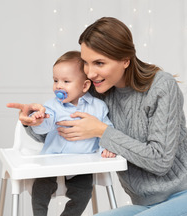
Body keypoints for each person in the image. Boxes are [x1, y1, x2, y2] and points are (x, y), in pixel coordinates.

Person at [8, 17, 187, 216]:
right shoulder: (95, 93)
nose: (90, 73)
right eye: (85, 63)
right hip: (144, 203)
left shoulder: (161, 86)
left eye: (99, 63)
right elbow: (58, 133)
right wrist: (36, 120)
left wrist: (101, 131)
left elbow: (160, 161)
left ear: (125, 60)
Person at [8, 50, 115, 216]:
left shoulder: (98, 107)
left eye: (66, 81)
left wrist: (106, 148)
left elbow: (106, 130)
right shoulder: (52, 106)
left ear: (85, 85)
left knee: (83, 193)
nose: (58, 86)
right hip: (51, 160)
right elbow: (46, 126)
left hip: (82, 163)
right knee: (40, 189)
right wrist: (39, 119)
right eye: (55, 80)